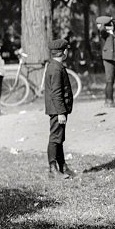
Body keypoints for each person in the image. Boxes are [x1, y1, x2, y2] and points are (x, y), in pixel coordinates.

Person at [44, 38, 74, 178]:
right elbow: (56, 92)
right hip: (57, 110)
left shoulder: (55, 66)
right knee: (55, 138)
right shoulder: (56, 69)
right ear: (64, 52)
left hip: (58, 109)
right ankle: (52, 169)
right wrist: (61, 112)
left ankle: (62, 166)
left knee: (59, 138)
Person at [98, 15, 115, 107]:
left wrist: (112, 21)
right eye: (110, 25)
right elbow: (102, 29)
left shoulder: (114, 33)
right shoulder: (105, 34)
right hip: (108, 58)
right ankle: (109, 100)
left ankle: (109, 100)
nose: (112, 26)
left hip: (113, 58)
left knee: (111, 80)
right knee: (109, 80)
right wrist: (106, 21)